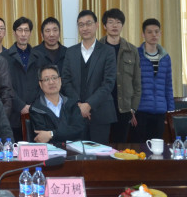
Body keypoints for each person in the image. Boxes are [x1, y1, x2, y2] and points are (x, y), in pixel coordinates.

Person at [61, 10, 117, 144]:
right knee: (75, 153)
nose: (85, 28)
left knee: (99, 155)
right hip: (75, 114)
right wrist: (78, 105)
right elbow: (66, 81)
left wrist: (89, 104)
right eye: (81, 25)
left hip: (100, 113)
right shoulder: (70, 52)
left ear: (97, 25)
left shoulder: (108, 51)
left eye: (88, 23)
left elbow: (108, 83)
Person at [99, 8, 141, 143]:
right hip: (101, 107)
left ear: (122, 25)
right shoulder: (96, 49)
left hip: (123, 109)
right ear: (104, 26)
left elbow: (137, 82)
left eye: (118, 22)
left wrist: (133, 108)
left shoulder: (132, 50)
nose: (114, 25)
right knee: (101, 146)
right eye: (110, 22)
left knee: (120, 146)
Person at [3, 17, 42, 142]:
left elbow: (43, 84)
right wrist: (20, 105)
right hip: (13, 114)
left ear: (30, 33)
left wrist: (32, 106)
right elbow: (5, 85)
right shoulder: (4, 57)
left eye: (26, 30)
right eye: (20, 30)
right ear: (14, 33)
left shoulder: (39, 56)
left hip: (35, 114)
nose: (23, 34)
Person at [135, 18, 174, 141]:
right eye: (150, 32)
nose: (154, 35)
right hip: (140, 111)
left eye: (156, 32)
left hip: (160, 111)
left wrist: (170, 111)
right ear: (143, 34)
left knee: (157, 147)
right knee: (139, 147)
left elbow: (168, 86)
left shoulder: (165, 57)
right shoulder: (136, 55)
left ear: (160, 34)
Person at [29, 64, 84, 144]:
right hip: (50, 150)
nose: (51, 82)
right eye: (46, 79)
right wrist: (67, 132)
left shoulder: (72, 104)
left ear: (60, 80)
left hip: (73, 149)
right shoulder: (36, 109)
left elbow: (78, 130)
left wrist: (51, 134)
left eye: (54, 78)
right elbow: (42, 137)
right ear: (40, 84)